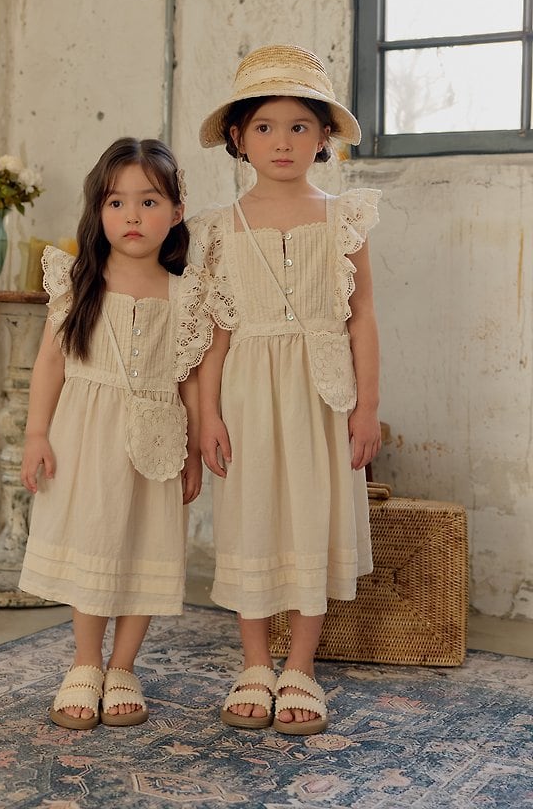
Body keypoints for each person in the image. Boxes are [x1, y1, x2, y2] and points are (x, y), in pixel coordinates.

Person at [190, 45, 382, 736]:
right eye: (265, 126)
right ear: (238, 137)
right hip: (246, 395)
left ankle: (300, 665)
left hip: (323, 395)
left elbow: (362, 317)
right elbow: (213, 331)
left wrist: (368, 408)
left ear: (324, 135)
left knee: (313, 518)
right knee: (251, 515)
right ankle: (253, 662)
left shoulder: (343, 220)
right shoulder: (218, 228)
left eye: (300, 126)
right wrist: (206, 414)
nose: (282, 141)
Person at [19, 137, 210, 731]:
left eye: (149, 202)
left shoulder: (185, 294)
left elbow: (190, 377)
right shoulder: (77, 283)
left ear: (176, 212)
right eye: (116, 202)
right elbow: (50, 363)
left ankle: (123, 666)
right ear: (98, 211)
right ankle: (85, 662)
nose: (132, 216)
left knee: (146, 546)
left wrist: (194, 451)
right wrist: (36, 433)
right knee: (95, 543)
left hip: (157, 441)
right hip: (86, 439)